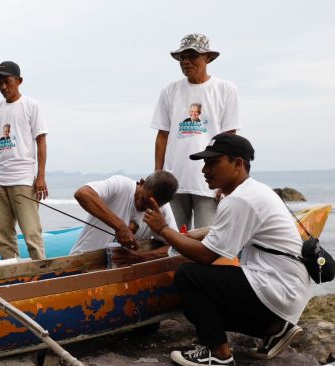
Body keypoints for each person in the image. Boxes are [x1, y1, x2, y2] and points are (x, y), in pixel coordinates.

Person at [144, 133, 309, 366]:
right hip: (287, 288)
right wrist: (191, 234)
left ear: (237, 164)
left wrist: (163, 229)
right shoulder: (253, 191)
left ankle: (219, 354)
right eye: (204, 163)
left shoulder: (240, 200)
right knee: (196, 310)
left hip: (277, 287)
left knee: (189, 275)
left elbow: (206, 256)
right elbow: (224, 230)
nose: (204, 170)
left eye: (213, 163)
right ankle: (274, 328)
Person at [151, 34, 241, 231]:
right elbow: (162, 135)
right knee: (174, 239)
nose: (186, 61)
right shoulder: (170, 91)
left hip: (209, 182)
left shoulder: (225, 89)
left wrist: (228, 179)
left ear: (207, 58)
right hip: (173, 182)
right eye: (182, 57)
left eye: (192, 56)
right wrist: (158, 175)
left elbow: (230, 137)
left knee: (206, 240)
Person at [0, 61, 48, 260]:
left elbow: (41, 141)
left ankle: (41, 272)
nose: (3, 87)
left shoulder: (31, 105)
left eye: (7, 82)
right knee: (3, 235)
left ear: (19, 81)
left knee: (31, 233)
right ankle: (12, 272)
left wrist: (40, 176)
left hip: (23, 179)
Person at [69, 171, 178, 257]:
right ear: (142, 183)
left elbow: (174, 246)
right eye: (144, 200)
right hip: (83, 261)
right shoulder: (121, 185)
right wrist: (120, 227)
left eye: (151, 207)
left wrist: (142, 257)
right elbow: (82, 193)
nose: (144, 207)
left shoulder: (162, 209)